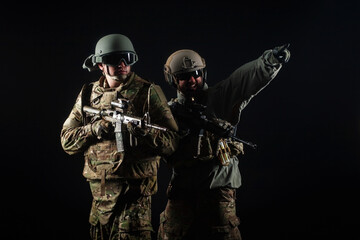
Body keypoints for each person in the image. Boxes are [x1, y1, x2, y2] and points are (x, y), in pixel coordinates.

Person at [157, 44, 290, 239]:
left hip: (218, 192)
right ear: (172, 79)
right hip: (182, 192)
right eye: (184, 76)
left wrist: (270, 61)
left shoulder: (221, 97)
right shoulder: (169, 112)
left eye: (196, 73)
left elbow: (244, 79)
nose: (193, 80)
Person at [60, 33, 179, 240]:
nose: (123, 64)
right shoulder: (88, 94)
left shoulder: (149, 92)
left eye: (127, 58)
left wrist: (146, 134)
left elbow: (172, 142)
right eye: (115, 59)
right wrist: (94, 129)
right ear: (100, 65)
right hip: (99, 200)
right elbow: (67, 141)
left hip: (134, 199)